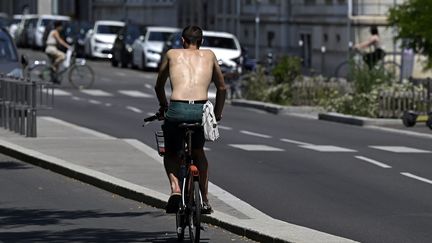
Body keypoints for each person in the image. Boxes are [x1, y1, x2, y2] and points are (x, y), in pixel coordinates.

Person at [154, 26, 226, 214]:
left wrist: (164, 106)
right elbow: (222, 88)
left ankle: (176, 189)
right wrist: (217, 114)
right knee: (199, 152)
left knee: (170, 153)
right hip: (200, 111)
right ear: (201, 42)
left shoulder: (172, 54)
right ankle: (204, 199)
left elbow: (158, 85)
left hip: (177, 109)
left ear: (182, 41)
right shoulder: (209, 55)